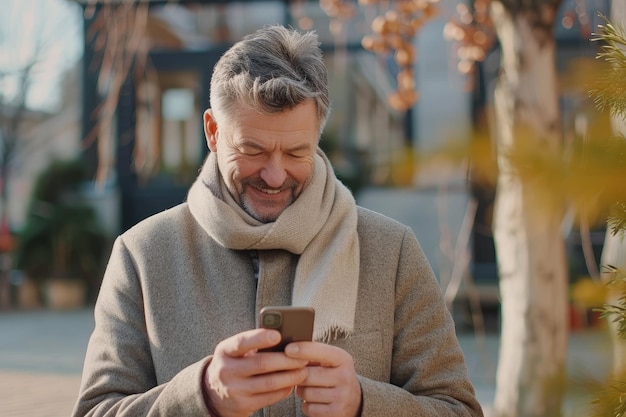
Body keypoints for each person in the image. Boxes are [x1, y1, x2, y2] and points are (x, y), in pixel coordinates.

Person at [72, 25, 484, 417]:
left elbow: (458, 408)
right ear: (213, 131)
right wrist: (203, 396)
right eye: (252, 149)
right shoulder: (141, 255)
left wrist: (364, 403)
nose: (273, 175)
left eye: (295, 153)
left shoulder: (391, 251)